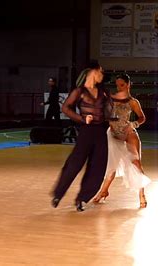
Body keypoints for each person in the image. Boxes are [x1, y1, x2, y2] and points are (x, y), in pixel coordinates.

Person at [51, 62, 109, 212]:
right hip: (86, 132)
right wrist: (82, 119)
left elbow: (110, 110)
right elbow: (65, 108)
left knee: (98, 168)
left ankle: (82, 199)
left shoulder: (103, 92)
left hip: (101, 133)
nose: (102, 74)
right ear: (93, 72)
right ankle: (58, 194)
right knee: (74, 164)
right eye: (100, 71)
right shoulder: (79, 91)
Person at [93, 74, 151, 208]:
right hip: (113, 134)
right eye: (117, 85)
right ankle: (104, 191)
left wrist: (133, 124)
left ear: (128, 84)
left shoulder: (133, 102)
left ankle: (141, 194)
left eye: (122, 85)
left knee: (136, 163)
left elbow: (142, 117)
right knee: (111, 166)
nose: (119, 88)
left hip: (128, 133)